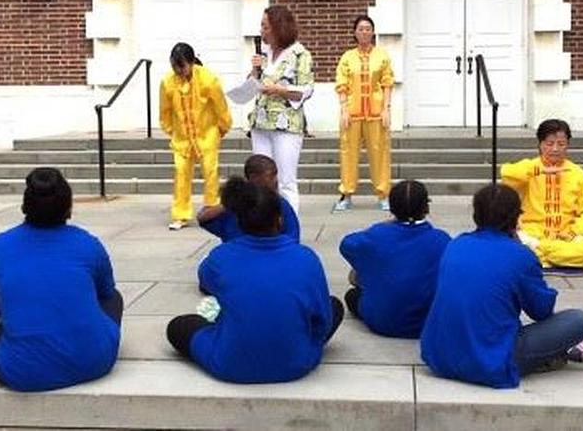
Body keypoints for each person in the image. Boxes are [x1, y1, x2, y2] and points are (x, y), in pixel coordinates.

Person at [0, 168, 122, 392]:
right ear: (68, 207)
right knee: (114, 297)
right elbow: (106, 294)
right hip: (96, 361)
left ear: (25, 206)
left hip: (26, 372)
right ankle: (85, 337)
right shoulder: (88, 243)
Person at [166, 177, 341, 383]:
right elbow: (322, 321)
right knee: (334, 305)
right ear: (280, 220)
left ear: (238, 221)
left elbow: (208, 283)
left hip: (230, 363)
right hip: (297, 363)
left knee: (179, 327)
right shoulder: (307, 257)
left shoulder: (220, 258)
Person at [420, 184, 583, 388]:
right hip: (491, 361)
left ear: (476, 215)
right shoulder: (520, 255)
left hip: (439, 357)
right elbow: (541, 310)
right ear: (515, 218)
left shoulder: (456, 244)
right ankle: (538, 360)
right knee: (578, 320)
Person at [339, 179, 449, 338]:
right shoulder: (441, 239)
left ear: (392, 208)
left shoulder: (377, 235)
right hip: (425, 321)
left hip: (382, 321)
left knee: (353, 293)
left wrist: (384, 226)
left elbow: (346, 245)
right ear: (426, 207)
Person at [499, 119, 583, 271]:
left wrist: (573, 232)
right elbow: (506, 173)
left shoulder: (577, 174)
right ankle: (555, 257)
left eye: (561, 144)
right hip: (532, 235)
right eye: (549, 143)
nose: (555, 149)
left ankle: (541, 256)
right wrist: (539, 170)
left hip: (564, 237)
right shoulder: (530, 168)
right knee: (515, 246)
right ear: (540, 144)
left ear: (567, 145)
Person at [159, 42, 232, 231]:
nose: (178, 70)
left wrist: (222, 128)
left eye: (181, 66)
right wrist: (169, 129)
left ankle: (211, 208)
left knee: (210, 171)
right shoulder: (167, 83)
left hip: (206, 134)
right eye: (175, 66)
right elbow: (165, 111)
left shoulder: (208, 80)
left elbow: (220, 106)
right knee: (181, 173)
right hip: (182, 138)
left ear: (191, 63)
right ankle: (180, 214)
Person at [249, 5, 314, 213]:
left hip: (286, 125)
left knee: (285, 181)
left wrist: (280, 90)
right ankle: (265, 226)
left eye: (265, 26)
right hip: (261, 123)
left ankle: (289, 229)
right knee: (261, 179)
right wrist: (254, 70)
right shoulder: (264, 53)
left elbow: (306, 90)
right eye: (261, 25)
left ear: (278, 27)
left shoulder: (299, 54)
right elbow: (252, 85)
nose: (261, 30)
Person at [333, 15, 395, 212]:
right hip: (352, 113)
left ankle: (383, 194)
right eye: (361, 29)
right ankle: (346, 194)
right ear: (354, 32)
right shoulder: (347, 57)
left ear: (373, 32)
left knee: (380, 153)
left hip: (376, 113)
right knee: (348, 153)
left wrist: (386, 108)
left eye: (368, 28)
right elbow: (342, 85)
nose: (364, 32)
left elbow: (387, 83)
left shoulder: (382, 55)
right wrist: (343, 109)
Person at [198, 154, 300, 242]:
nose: (275, 180)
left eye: (275, 174)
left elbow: (292, 237)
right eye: (271, 175)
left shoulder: (281, 204)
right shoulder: (236, 205)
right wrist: (229, 203)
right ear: (253, 177)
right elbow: (203, 218)